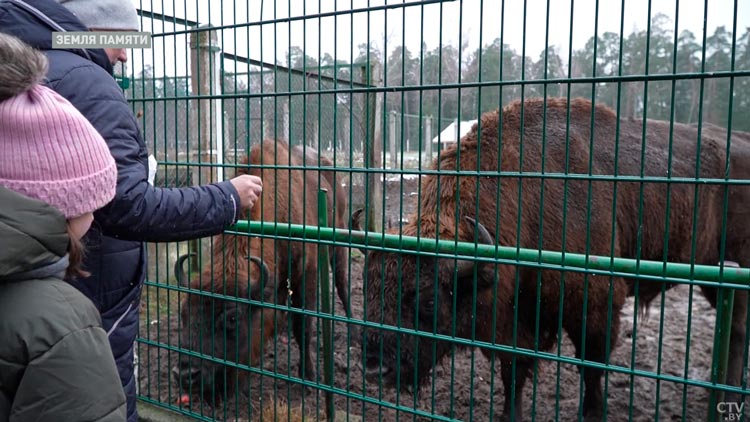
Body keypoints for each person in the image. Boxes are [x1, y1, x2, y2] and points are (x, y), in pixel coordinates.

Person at [0, 1, 264, 420]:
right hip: (94, 291)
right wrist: (226, 197)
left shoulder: (30, 65)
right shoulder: (86, 80)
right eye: (119, 39)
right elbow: (127, 203)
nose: (125, 53)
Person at [0, 33, 126, 421]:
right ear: (68, 210)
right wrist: (224, 199)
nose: (125, 52)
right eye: (93, 200)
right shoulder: (60, 325)